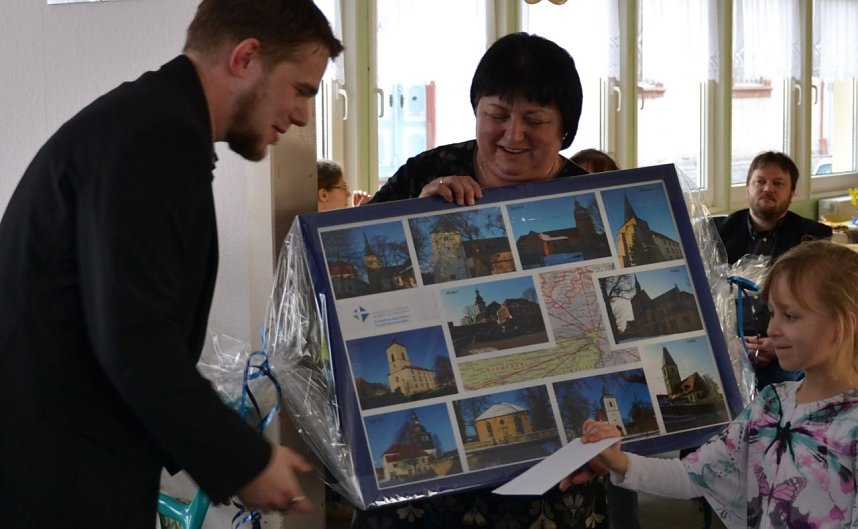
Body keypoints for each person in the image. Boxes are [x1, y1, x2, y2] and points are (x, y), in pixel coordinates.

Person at [0, 1, 342, 527]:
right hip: (58, 474)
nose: (301, 115)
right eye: (302, 89)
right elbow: (133, 334)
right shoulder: (153, 139)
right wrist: (242, 460)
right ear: (246, 57)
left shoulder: (148, 121)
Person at [356, 33, 608, 529]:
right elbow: (352, 281)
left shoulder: (586, 199)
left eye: (534, 120)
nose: (512, 135)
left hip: (553, 477)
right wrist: (412, 220)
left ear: (565, 129)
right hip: (424, 497)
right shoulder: (425, 174)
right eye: (496, 114)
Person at [564, 239, 858, 529]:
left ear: (842, 325)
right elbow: (695, 473)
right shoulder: (771, 404)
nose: (772, 329)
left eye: (790, 316)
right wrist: (619, 461)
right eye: (772, 313)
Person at [714, 151, 832, 390]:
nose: (768, 188)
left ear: (792, 193)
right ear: (747, 187)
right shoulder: (715, 234)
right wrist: (733, 344)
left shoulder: (814, 239)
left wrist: (779, 343)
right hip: (728, 348)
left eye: (778, 183)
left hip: (789, 350)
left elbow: (820, 306)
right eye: (760, 182)